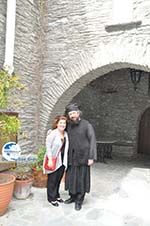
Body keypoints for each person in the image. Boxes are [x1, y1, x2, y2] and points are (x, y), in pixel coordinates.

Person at [64, 103, 97, 211]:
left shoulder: (87, 125)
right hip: (71, 157)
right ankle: (72, 196)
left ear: (78, 113)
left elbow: (92, 141)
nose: (73, 115)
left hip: (83, 156)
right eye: (70, 114)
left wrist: (91, 157)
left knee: (81, 179)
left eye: (74, 113)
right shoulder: (68, 125)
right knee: (72, 177)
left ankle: (79, 200)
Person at [43, 115, 69, 207]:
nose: (62, 124)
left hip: (62, 160)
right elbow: (48, 147)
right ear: (57, 124)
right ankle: (51, 198)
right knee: (52, 179)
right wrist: (50, 159)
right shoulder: (53, 133)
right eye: (61, 123)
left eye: (64, 123)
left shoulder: (65, 134)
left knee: (58, 179)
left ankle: (57, 195)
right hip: (54, 160)